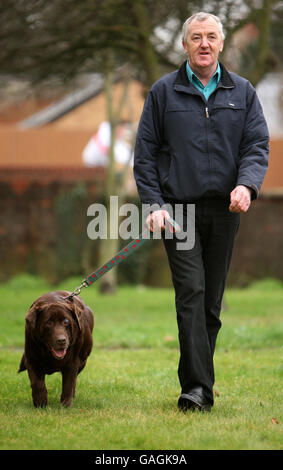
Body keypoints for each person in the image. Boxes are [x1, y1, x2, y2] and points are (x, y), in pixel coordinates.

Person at [133, 12, 269, 412]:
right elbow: (145, 158)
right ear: (185, 45)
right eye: (196, 37)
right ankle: (195, 389)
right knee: (191, 293)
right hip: (178, 212)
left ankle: (198, 386)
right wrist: (155, 206)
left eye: (211, 36)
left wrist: (247, 184)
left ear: (222, 44)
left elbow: (256, 146)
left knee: (210, 303)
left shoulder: (242, 92)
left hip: (225, 211)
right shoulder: (162, 93)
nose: (204, 44)